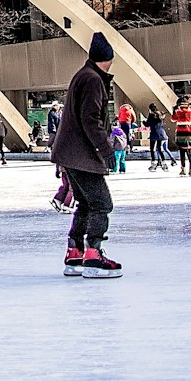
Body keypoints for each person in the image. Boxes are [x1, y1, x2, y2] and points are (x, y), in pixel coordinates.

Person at [53, 33, 121, 278]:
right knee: (102, 203)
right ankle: (93, 253)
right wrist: (106, 150)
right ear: (108, 59)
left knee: (86, 202)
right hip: (81, 154)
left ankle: (75, 250)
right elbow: (91, 120)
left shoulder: (83, 75)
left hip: (71, 153)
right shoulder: (93, 79)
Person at [172, 96, 191, 175]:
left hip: (180, 134)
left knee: (182, 152)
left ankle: (183, 169)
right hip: (189, 133)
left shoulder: (177, 111)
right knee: (189, 152)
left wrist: (174, 110)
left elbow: (173, 119)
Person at [145, 105, 169, 170]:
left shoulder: (151, 115)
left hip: (154, 133)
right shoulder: (160, 115)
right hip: (161, 133)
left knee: (152, 149)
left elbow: (147, 124)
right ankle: (164, 163)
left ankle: (153, 163)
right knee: (159, 148)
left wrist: (144, 122)